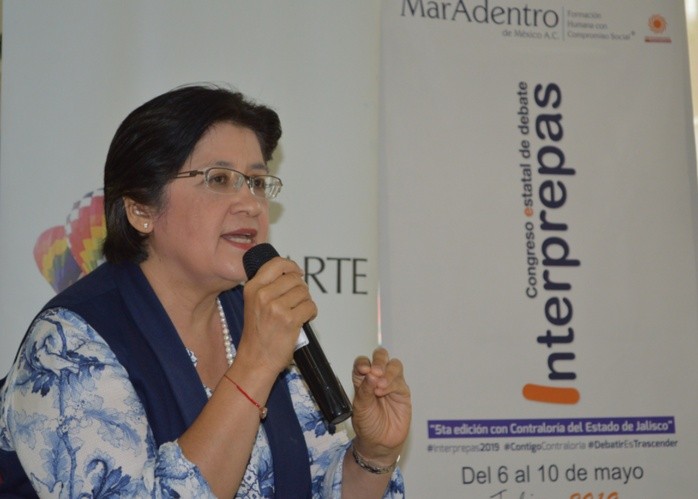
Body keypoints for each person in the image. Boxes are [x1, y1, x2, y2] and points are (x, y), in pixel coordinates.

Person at [0, 84, 411, 497]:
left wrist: (373, 455)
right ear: (141, 209)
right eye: (219, 179)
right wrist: (254, 365)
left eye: (256, 182)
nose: (250, 203)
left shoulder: (257, 317)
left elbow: (315, 485)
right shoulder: (68, 345)